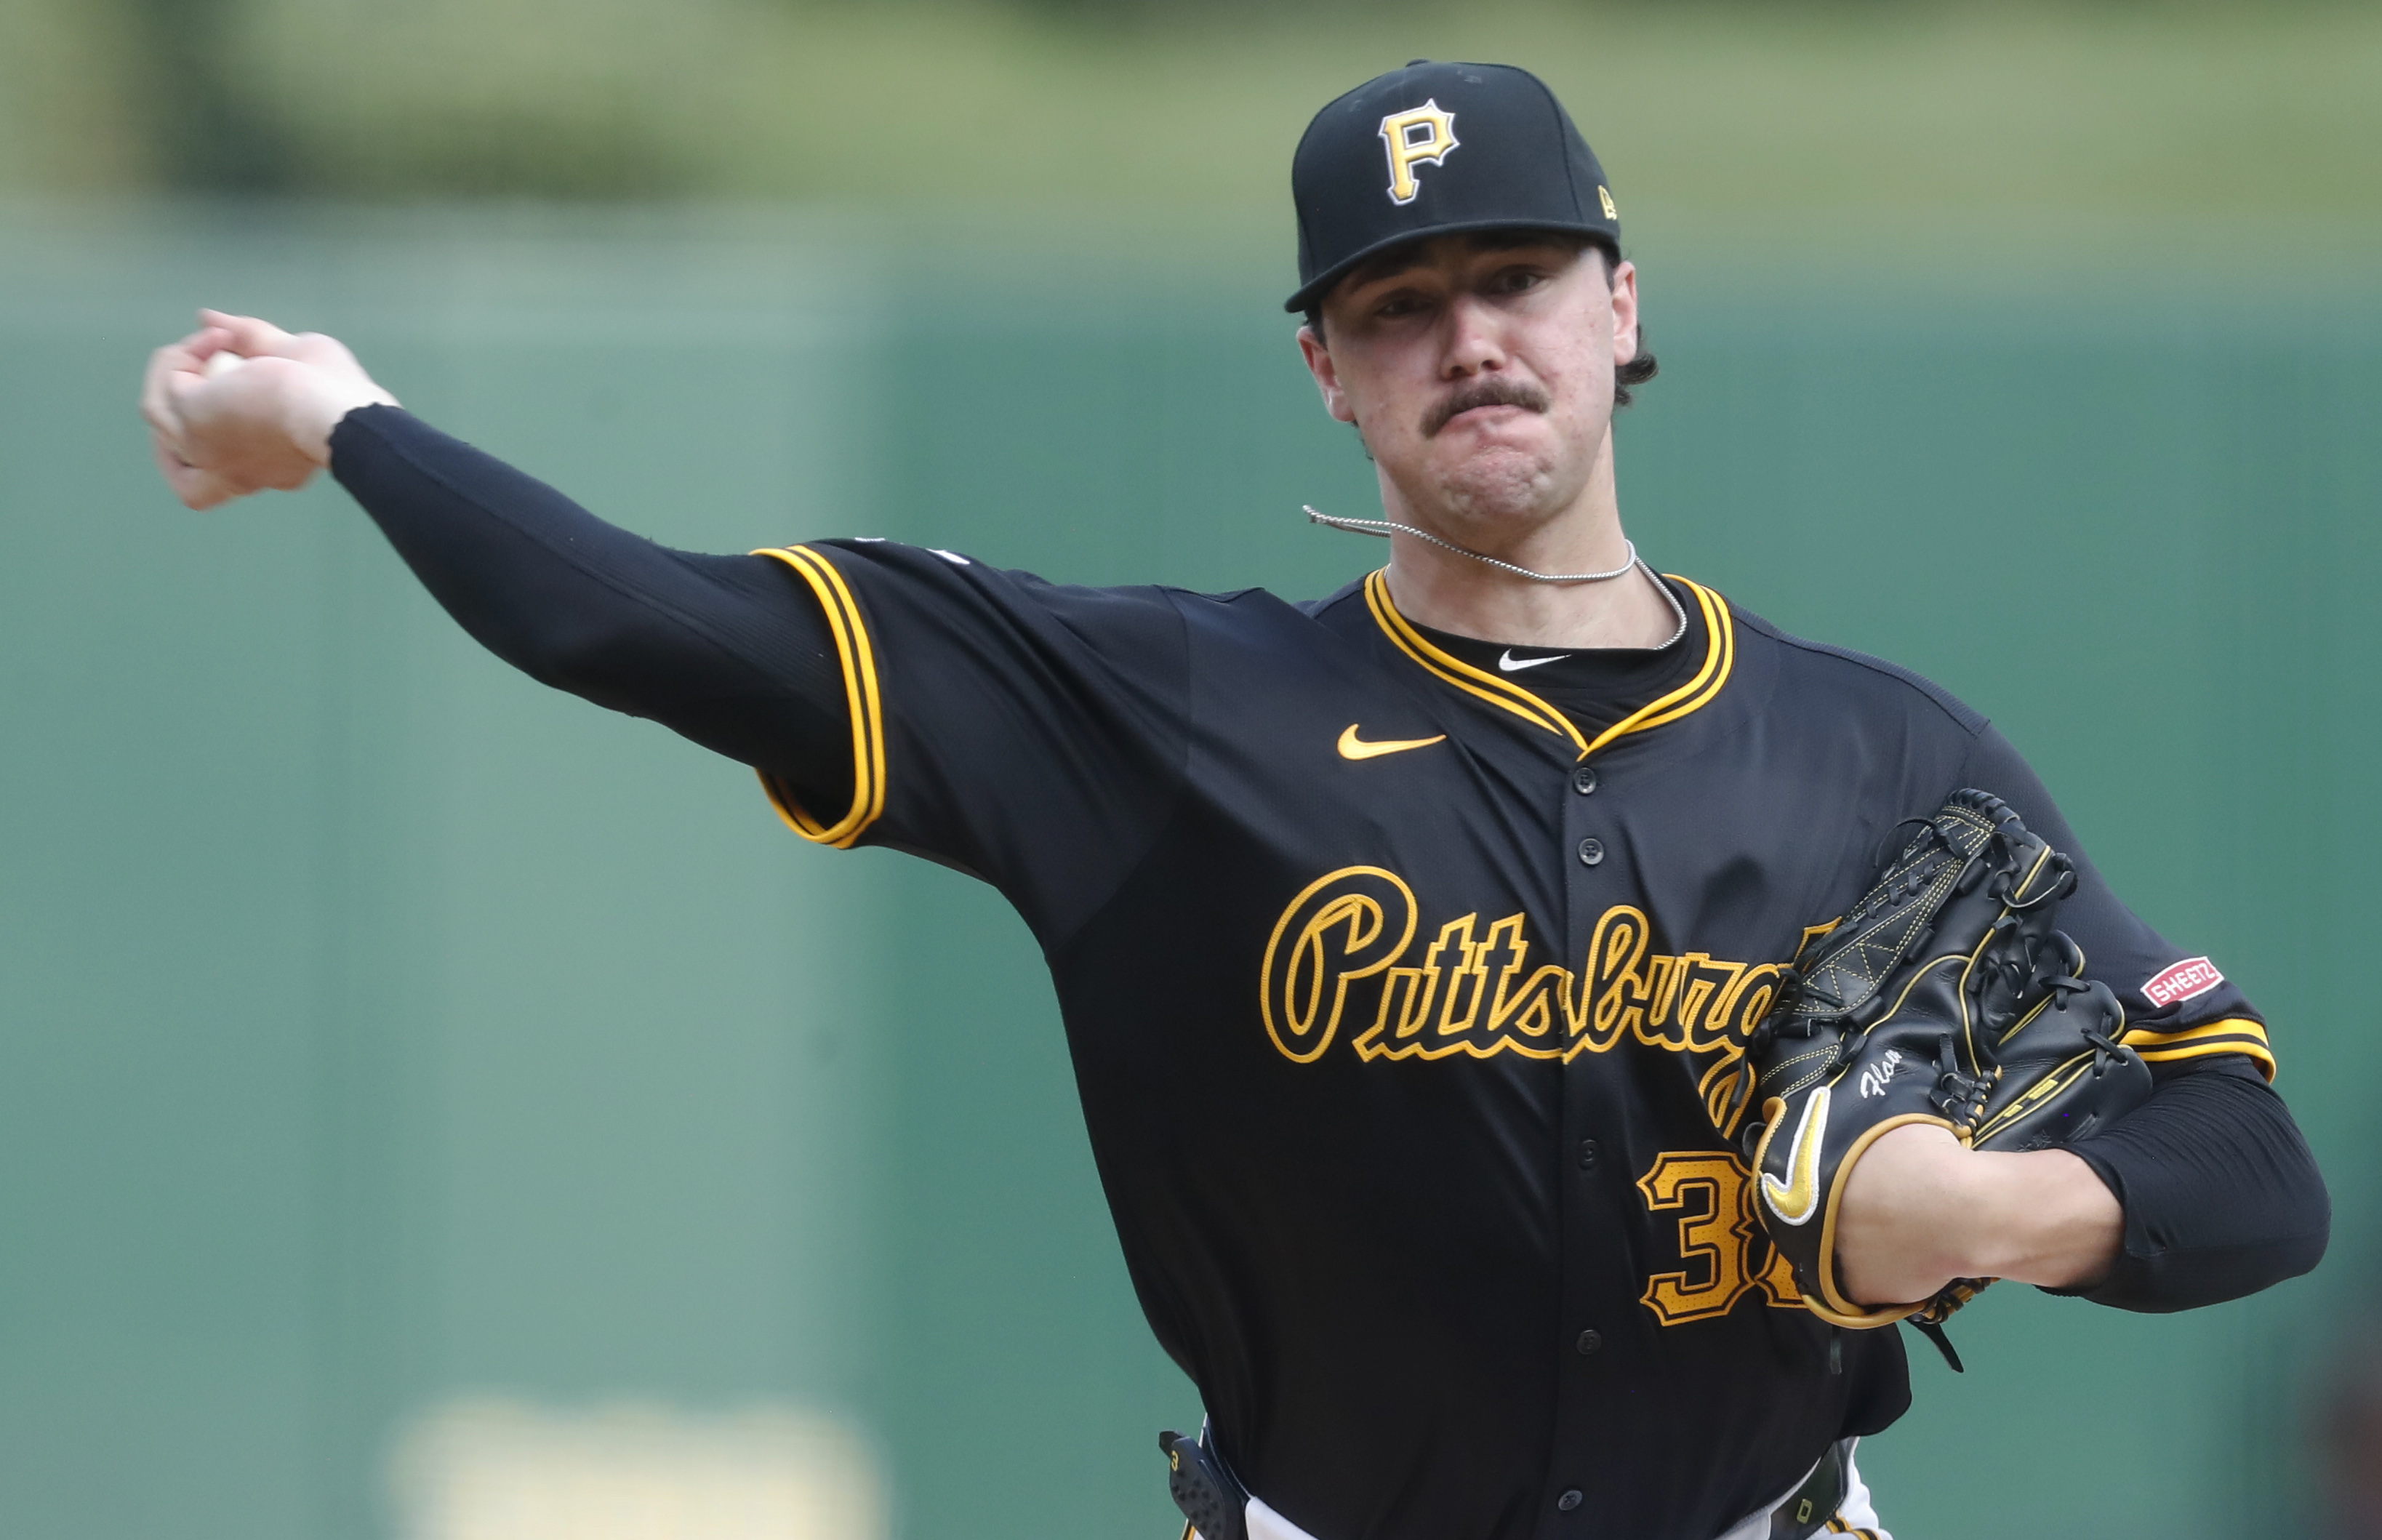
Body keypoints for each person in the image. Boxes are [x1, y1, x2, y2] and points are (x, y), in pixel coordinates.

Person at [140, 60, 2325, 1540]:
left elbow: (2243, 1159)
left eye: (1512, 275)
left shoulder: (1876, 753)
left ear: (1617, 304)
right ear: (1325, 370)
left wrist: (2006, 1220)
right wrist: (349, 422)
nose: (1466, 333)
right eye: (1397, 303)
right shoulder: (1159, 706)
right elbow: (653, 625)